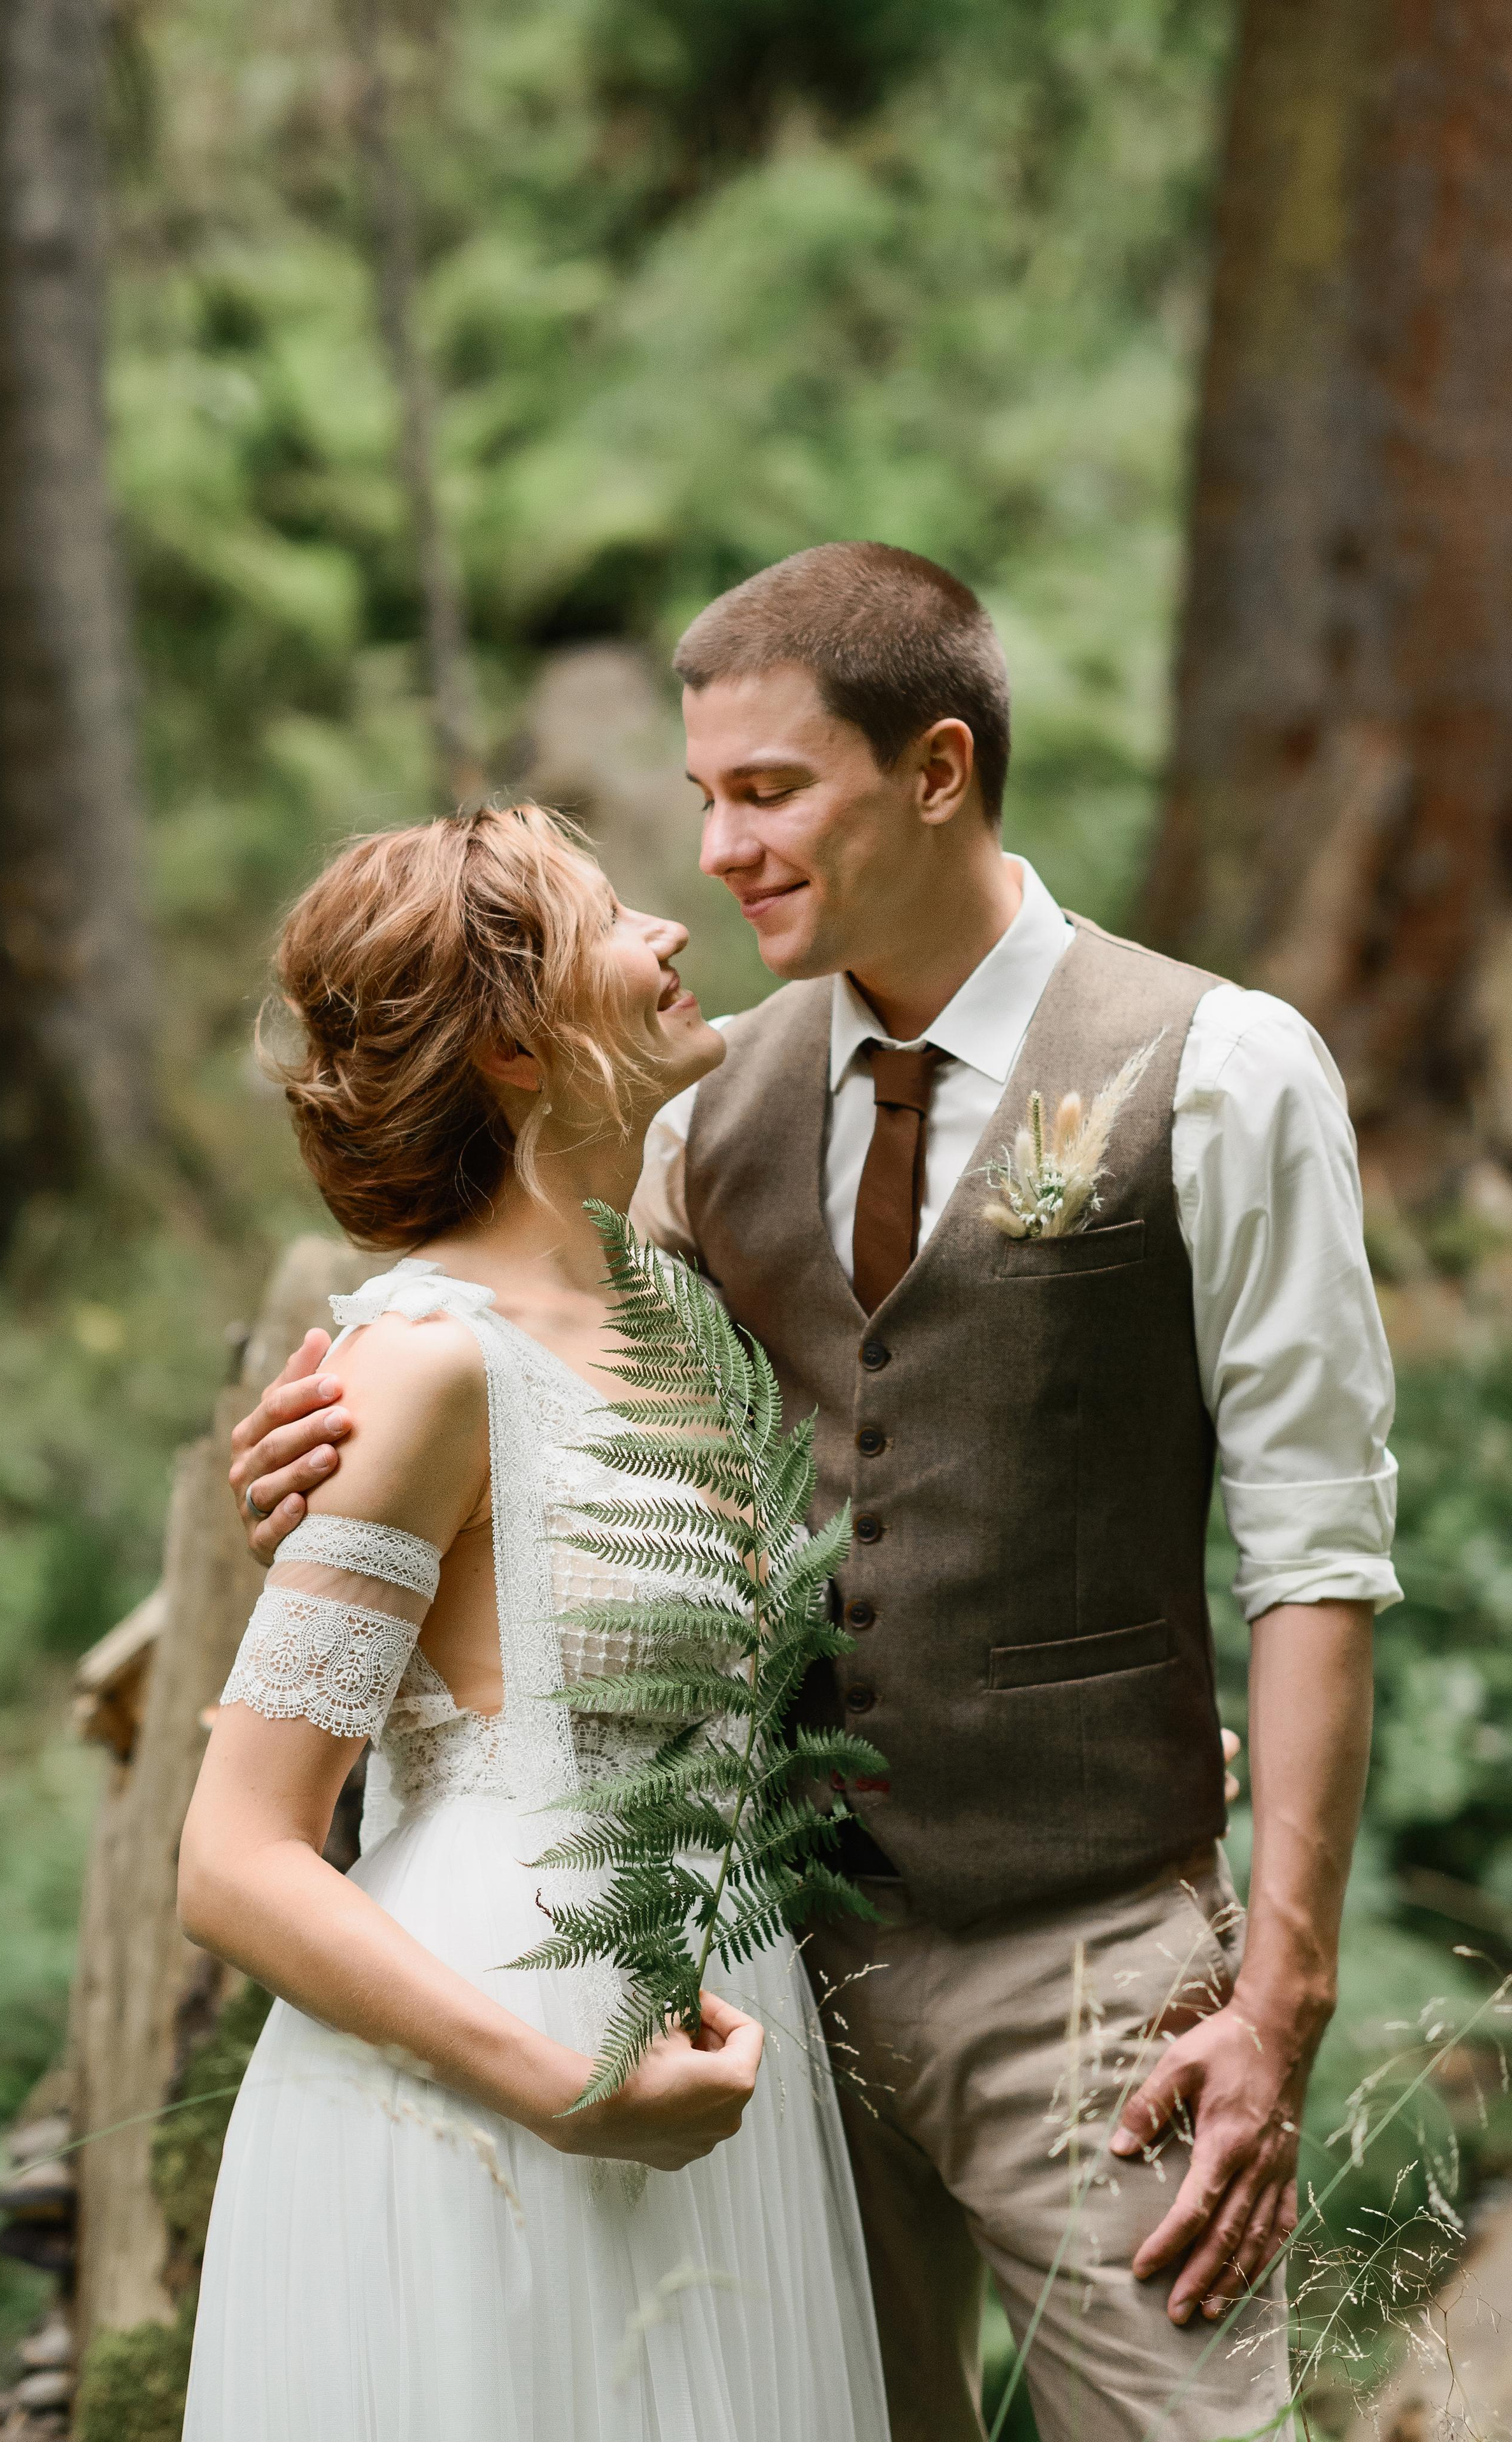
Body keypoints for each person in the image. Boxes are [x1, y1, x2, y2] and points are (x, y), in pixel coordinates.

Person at [232, 543, 1400, 2441]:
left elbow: (1319, 1559)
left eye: (767, 791)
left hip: (1090, 1963)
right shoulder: (703, 1114)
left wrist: (1275, 1997)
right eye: (701, 799)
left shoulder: (1223, 1066)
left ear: (935, 770)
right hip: (768, 1967)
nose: (721, 851)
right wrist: (312, 1451)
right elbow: (553, 1421)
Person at [178, 807, 890, 2441]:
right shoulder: (422, 1364)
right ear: (510, 1041)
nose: (670, 931)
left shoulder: (685, 1309)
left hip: (718, 2021)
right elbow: (233, 1856)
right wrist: (564, 2089)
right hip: (498, 2067)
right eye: (612, 920)